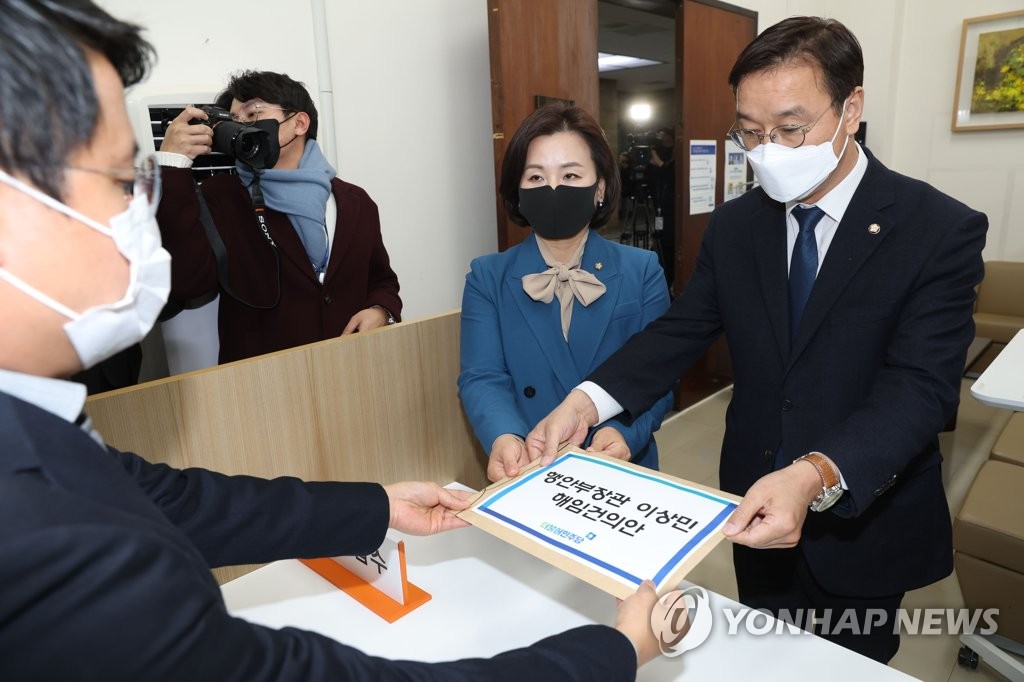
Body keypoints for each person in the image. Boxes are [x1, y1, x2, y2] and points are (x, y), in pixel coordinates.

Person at [0, 1, 672, 678]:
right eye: (124, 182)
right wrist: (610, 653)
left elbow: (166, 497)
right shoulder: (52, 542)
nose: (136, 221)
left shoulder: (42, 436)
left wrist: (376, 505)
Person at [526, 16, 987, 663]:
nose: (769, 149)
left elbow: (920, 389)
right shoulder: (738, 227)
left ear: (851, 108)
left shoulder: (937, 229)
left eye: (791, 129)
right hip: (752, 494)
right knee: (759, 656)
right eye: (750, 132)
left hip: (863, 515)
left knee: (846, 667)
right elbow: (683, 328)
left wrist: (816, 474)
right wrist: (589, 401)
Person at [459, 104, 673, 482]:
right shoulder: (487, 277)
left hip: (619, 465)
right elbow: (482, 376)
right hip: (529, 465)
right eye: (537, 177)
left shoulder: (642, 271)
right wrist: (504, 435)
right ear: (518, 190)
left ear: (601, 187)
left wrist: (623, 432)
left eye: (571, 174)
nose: (554, 188)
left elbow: (658, 376)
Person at [157, 70, 402, 364]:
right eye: (235, 119)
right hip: (262, 384)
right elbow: (188, 283)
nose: (241, 126)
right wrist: (173, 166)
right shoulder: (220, 197)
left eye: (253, 113)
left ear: (299, 123)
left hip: (351, 370)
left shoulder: (355, 202)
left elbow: (382, 279)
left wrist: (381, 311)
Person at [648, 127, 676, 290]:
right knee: (660, 240)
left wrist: (658, 163)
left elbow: (668, 171)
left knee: (668, 241)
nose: (663, 137)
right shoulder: (656, 149)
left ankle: (669, 279)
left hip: (671, 206)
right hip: (657, 202)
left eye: (665, 134)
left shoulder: (676, 153)